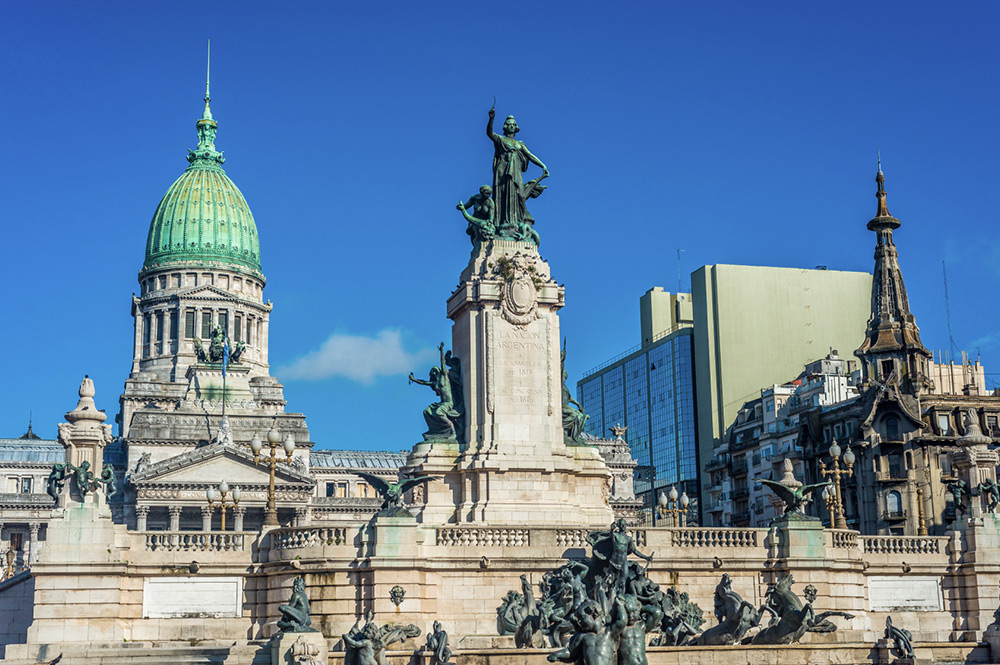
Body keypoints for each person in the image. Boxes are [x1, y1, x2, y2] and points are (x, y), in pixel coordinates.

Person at [487, 107, 549, 237]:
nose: (511, 126)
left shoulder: (520, 144)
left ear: (516, 128)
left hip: (515, 173)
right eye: (508, 124)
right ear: (505, 127)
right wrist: (491, 119)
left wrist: (542, 165)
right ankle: (503, 224)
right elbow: (489, 133)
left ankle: (515, 223)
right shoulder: (501, 139)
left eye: (513, 125)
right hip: (502, 173)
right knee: (503, 196)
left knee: (518, 196)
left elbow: (530, 155)